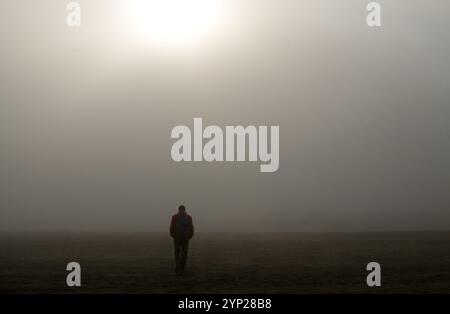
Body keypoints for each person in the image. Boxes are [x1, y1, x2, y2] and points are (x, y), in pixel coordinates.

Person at [170, 205, 194, 275]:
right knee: (184, 253)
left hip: (177, 237)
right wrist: (189, 236)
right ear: (185, 210)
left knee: (177, 252)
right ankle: (182, 268)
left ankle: (177, 265)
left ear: (178, 210)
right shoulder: (189, 217)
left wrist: (173, 235)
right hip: (185, 237)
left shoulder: (175, 217)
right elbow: (191, 227)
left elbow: (172, 227)